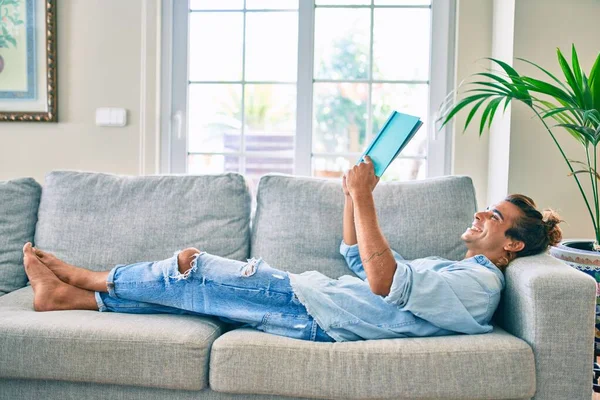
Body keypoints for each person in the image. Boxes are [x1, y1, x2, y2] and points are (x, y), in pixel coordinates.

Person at [22, 156, 563, 342]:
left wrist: (365, 198)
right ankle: (67, 300)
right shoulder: (456, 269)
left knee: (191, 265)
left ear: (511, 245)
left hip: (317, 312)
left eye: (494, 216)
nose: (481, 215)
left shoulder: (479, 282)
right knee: (200, 294)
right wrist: (351, 196)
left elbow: (384, 282)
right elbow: (358, 259)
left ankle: (91, 279)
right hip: (318, 302)